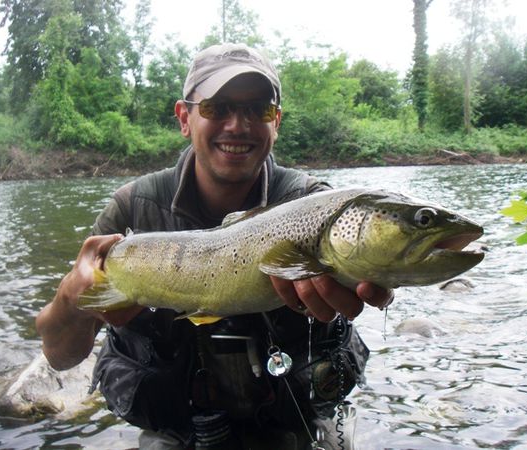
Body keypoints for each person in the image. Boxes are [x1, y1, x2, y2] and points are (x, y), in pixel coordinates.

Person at [36, 43, 393, 450]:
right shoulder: (133, 210)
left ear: (276, 121)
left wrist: (377, 272)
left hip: (293, 427)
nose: (237, 125)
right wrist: (70, 299)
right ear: (184, 118)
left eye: (257, 109)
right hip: (176, 433)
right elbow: (59, 356)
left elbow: (365, 271)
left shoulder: (313, 205)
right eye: (217, 108)